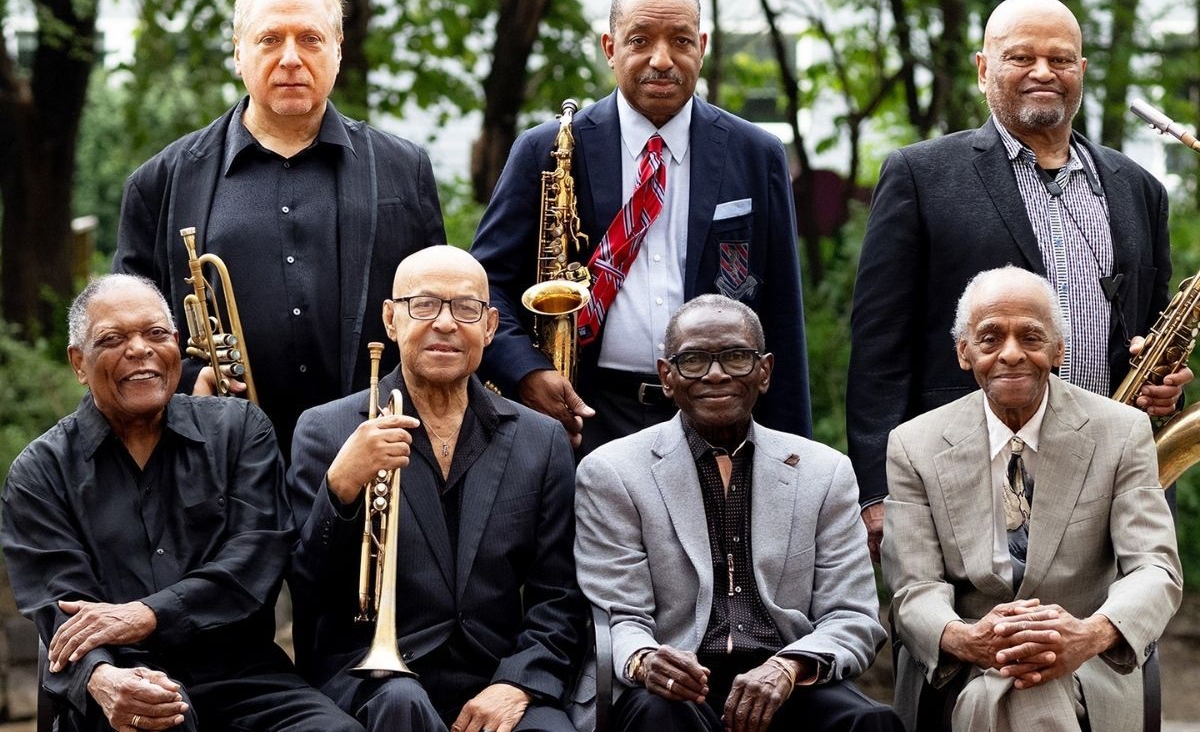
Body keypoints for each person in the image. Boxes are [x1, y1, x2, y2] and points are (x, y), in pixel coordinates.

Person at [846, 0, 1192, 561]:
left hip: (1115, 476)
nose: (1042, 72)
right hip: (967, 476)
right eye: (1020, 57)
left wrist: (1162, 385)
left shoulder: (1139, 188)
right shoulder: (920, 175)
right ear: (984, 69)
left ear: (1080, 71)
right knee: (971, 645)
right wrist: (878, 491)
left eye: (1060, 59)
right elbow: (880, 348)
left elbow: (1149, 331)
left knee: (1118, 645)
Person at [0, 274, 363, 732]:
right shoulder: (40, 472)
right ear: (78, 362)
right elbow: (62, 610)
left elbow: (256, 562)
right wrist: (104, 677)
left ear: (175, 343)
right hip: (121, 684)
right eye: (113, 339)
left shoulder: (240, 431)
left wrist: (148, 613)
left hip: (244, 678)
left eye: (155, 334)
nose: (139, 349)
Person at [471, 0, 810, 456]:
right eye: (640, 40)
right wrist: (527, 372)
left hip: (718, 418)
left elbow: (781, 310)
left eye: (680, 41)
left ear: (703, 45)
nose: (661, 59)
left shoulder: (757, 153)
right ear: (610, 48)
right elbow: (485, 287)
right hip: (583, 417)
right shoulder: (544, 149)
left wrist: (793, 454)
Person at [113, 0, 445, 459]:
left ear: (338, 48)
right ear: (238, 51)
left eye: (310, 39)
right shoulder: (160, 182)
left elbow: (438, 305)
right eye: (270, 40)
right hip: (219, 462)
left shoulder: (405, 169)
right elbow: (125, 333)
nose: (291, 58)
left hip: (377, 453)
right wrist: (186, 383)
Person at [286, 246, 585, 732]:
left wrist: (517, 683)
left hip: (497, 673)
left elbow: (560, 595)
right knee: (401, 705)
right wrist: (340, 487)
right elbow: (307, 586)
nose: (446, 323)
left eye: (465, 309)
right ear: (390, 319)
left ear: (489, 327)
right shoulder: (325, 429)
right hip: (373, 677)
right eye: (423, 305)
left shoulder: (541, 439)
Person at [574, 294, 901, 732]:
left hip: (787, 675)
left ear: (763, 371)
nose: (715, 374)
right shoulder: (612, 472)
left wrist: (788, 668)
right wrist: (647, 660)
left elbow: (852, 616)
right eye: (693, 360)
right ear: (666, 377)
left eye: (736, 357)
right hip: (677, 685)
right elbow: (618, 617)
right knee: (660, 717)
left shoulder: (824, 473)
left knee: (871, 723)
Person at [882, 266, 1182, 732]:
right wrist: (968, 638)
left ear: (1059, 349)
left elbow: (1154, 569)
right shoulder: (913, 445)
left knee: (1008, 695)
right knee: (1014, 691)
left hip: (1089, 663)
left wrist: (1090, 633)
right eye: (989, 338)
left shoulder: (1121, 431)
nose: (1011, 354)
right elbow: (913, 589)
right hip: (963, 664)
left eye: (1031, 336)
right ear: (963, 352)